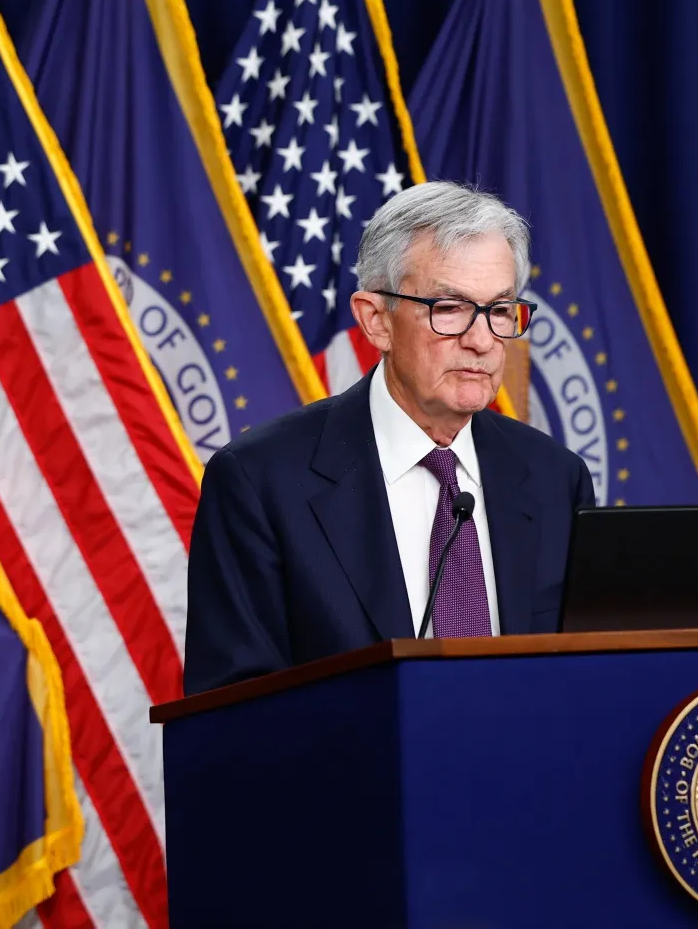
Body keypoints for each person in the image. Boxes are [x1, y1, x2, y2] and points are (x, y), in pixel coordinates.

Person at [184, 180, 595, 694]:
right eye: (449, 309)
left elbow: (584, 676)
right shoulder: (260, 481)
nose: (483, 340)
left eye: (499, 310)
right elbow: (232, 709)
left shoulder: (556, 478)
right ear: (376, 320)